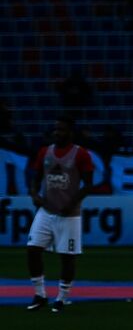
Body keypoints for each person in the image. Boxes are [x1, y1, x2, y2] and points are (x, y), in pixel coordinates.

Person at [25, 117, 95, 313]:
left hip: (69, 214)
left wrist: (72, 202)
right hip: (46, 211)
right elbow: (36, 177)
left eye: (61, 130)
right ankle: (40, 294)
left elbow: (88, 184)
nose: (57, 133)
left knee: (67, 256)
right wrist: (33, 194)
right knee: (33, 249)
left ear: (70, 133)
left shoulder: (80, 154)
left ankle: (62, 298)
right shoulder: (45, 152)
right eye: (55, 129)